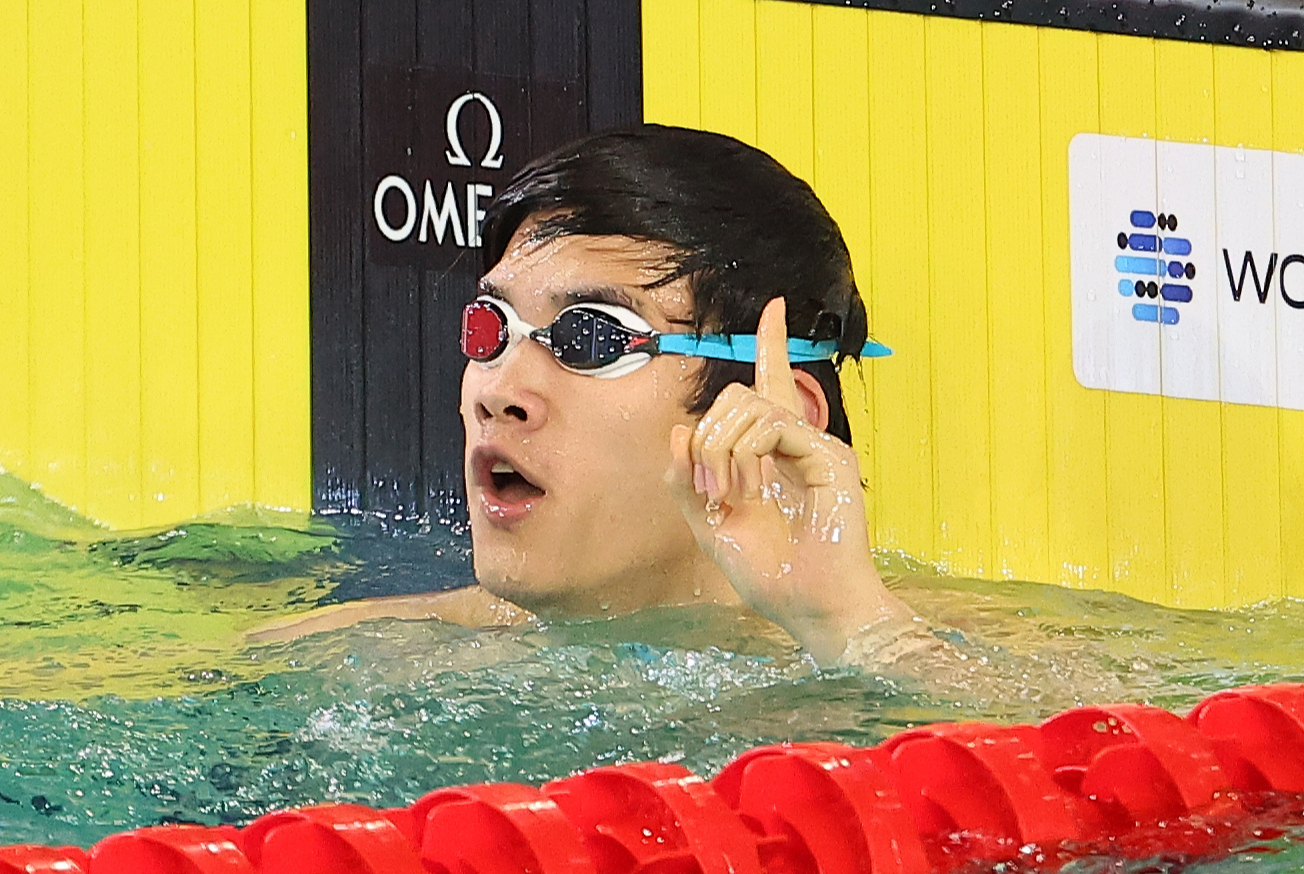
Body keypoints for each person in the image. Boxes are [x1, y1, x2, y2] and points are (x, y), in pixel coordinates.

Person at [254, 125, 946, 670]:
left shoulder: (925, 661)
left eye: (591, 337)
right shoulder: (352, 660)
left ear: (777, 418)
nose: (499, 393)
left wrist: (847, 625)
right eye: (491, 328)